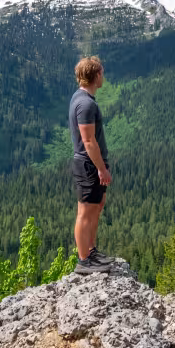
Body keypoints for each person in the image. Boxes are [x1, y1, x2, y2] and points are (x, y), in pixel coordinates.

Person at [70, 55, 117, 275]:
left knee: (96, 207)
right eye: (102, 72)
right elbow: (88, 141)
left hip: (90, 165)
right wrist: (101, 169)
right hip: (89, 166)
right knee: (85, 212)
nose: (103, 76)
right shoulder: (86, 104)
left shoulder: (80, 99)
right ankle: (84, 260)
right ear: (95, 75)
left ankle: (90, 251)